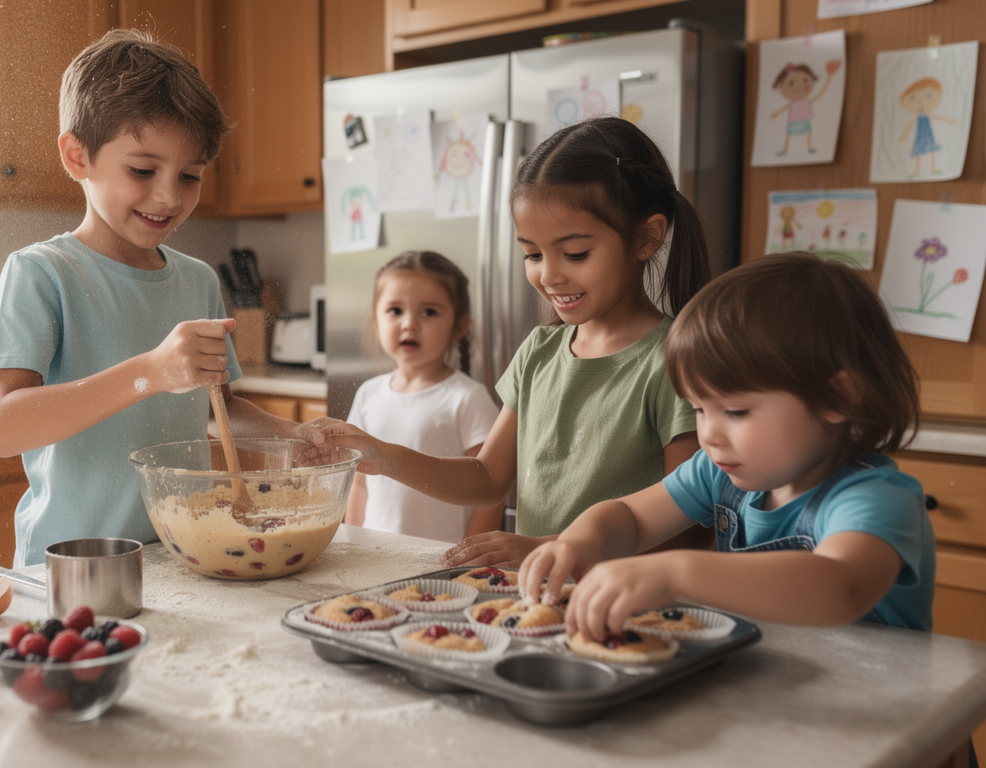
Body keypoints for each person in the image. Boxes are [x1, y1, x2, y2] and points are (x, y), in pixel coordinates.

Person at [301, 116, 714, 567]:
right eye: (533, 254)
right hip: (534, 598)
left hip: (627, 609)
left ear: (647, 238)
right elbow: (487, 478)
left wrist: (548, 550)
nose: (549, 275)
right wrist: (382, 454)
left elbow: (688, 529)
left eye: (575, 254)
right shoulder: (540, 352)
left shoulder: (674, 361)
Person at [0, 29, 296, 566]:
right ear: (77, 155)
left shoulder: (198, 280)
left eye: (190, 175)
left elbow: (219, 406)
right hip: (72, 565)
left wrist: (296, 437)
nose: (169, 195)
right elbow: (3, 427)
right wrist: (150, 371)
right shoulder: (41, 274)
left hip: (179, 554)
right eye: (142, 170)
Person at [518, 252, 934, 639]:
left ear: (838, 399)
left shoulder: (876, 499)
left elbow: (841, 586)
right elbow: (631, 516)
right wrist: (578, 541)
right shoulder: (717, 474)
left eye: (736, 412)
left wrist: (675, 572)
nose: (709, 435)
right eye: (700, 409)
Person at [344, 250, 504, 543]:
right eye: (395, 310)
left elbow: (491, 493)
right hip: (376, 555)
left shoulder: (467, 398)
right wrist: (353, 543)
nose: (409, 323)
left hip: (441, 562)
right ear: (377, 323)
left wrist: (468, 558)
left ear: (459, 326)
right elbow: (360, 483)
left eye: (428, 312)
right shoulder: (368, 394)